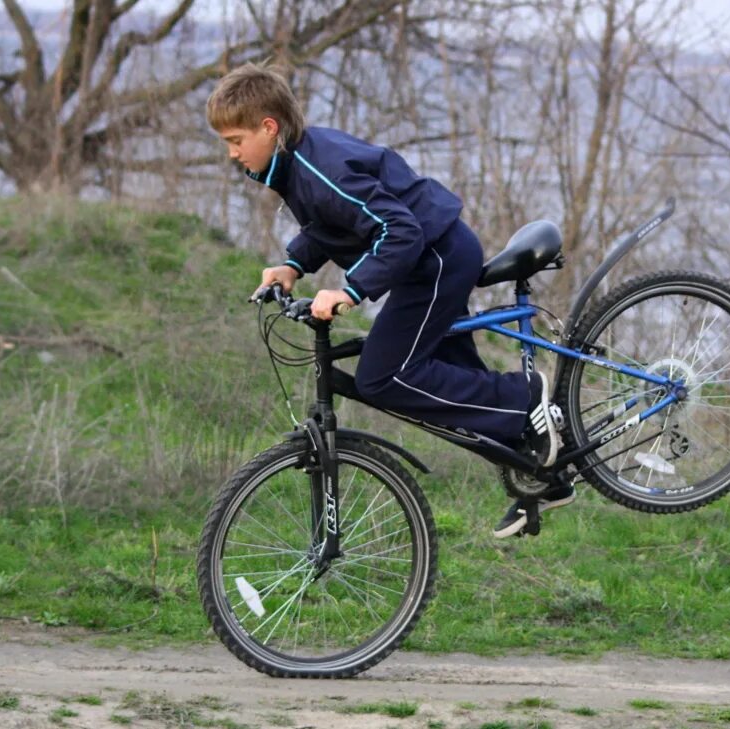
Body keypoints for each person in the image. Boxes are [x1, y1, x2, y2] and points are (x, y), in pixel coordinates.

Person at [206, 62, 574, 537]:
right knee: (452, 382)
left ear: (268, 127)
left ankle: (526, 398)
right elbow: (334, 222)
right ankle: (542, 475)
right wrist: (294, 265)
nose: (233, 153)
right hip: (426, 260)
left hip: (436, 258)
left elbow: (400, 230)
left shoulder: (318, 169)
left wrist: (351, 290)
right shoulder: (298, 162)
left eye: (236, 140)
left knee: (383, 376)